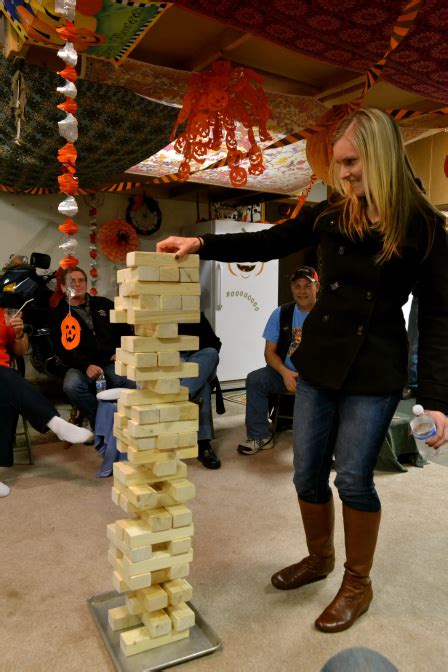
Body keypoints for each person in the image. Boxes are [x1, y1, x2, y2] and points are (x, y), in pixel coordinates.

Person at [156, 108, 448, 633]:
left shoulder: (424, 226)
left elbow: (441, 317)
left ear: (380, 154)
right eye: (340, 165)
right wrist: (201, 244)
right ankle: (320, 558)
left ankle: (357, 583)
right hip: (316, 364)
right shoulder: (333, 212)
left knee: (354, 479)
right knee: (306, 471)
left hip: (375, 370)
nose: (346, 174)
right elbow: (269, 241)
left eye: (353, 162)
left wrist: (438, 398)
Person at [0, 308, 92, 497]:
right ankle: (56, 423)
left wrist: (19, 334)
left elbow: (20, 350)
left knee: (6, 389)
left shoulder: (4, 313)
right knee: (7, 379)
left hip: (3, 377)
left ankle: (57, 425)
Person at [238, 265, 319, 455]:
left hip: (317, 377)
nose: (302, 291)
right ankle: (260, 436)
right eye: (297, 286)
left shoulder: (327, 314)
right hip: (286, 373)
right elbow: (269, 353)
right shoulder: (281, 313)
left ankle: (324, 446)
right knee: (256, 379)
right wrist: (285, 373)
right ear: (291, 288)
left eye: (307, 285)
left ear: (318, 287)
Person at [50, 267, 136, 431]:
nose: (77, 284)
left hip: (109, 361)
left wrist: (121, 351)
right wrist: (85, 366)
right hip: (79, 366)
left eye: (81, 280)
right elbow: (60, 349)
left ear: (86, 284)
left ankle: (129, 424)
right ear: (62, 287)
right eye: (71, 281)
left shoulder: (103, 304)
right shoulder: (58, 314)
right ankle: (101, 423)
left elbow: (125, 330)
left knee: (130, 382)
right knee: (72, 385)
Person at [178, 313, 222, 469]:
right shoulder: (158, 315)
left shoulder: (195, 313)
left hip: (198, 360)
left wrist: (194, 350)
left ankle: (182, 397)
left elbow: (215, 344)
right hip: (174, 361)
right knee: (202, 386)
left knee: (210, 354)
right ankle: (203, 445)